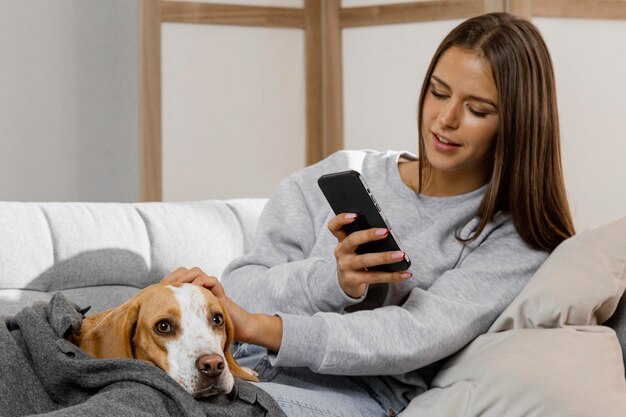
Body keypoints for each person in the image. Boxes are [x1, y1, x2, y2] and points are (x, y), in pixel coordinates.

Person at [162, 12, 575, 417]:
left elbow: (411, 336)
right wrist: (331, 281)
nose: (445, 119)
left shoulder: (513, 238)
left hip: (356, 392)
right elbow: (240, 290)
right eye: (438, 91)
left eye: (478, 110)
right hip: (244, 362)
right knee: (126, 391)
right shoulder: (341, 172)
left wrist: (259, 327)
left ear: (517, 123)